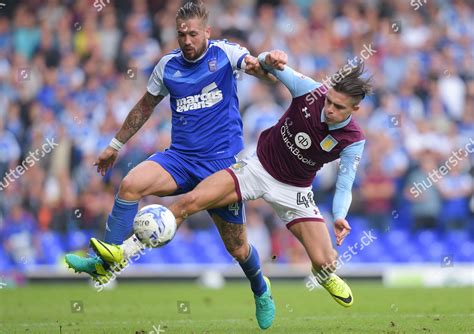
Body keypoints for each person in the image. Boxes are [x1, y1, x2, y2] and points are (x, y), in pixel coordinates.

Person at [92, 50, 372, 312]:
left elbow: (345, 184)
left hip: (295, 190)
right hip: (257, 168)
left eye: (338, 107)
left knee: (326, 262)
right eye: (329, 101)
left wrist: (339, 216)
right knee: (189, 202)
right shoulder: (310, 91)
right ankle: (122, 253)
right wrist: (270, 56)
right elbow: (264, 63)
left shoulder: (353, 140)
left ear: (355, 109)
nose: (329, 109)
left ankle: (321, 275)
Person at [65, 1, 276, 329]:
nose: (187, 40)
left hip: (221, 166)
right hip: (180, 158)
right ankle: (105, 262)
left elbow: (255, 68)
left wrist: (266, 63)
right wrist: (114, 146)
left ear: (207, 32)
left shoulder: (225, 54)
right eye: (182, 35)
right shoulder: (168, 67)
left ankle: (261, 289)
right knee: (131, 184)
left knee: (237, 247)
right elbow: (143, 107)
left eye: (193, 34)